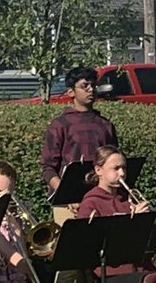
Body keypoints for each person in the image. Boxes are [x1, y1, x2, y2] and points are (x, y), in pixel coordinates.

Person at [79, 144, 153, 283]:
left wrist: (147, 222)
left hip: (133, 269)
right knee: (148, 282)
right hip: (107, 277)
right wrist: (131, 223)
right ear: (99, 170)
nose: (122, 173)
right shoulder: (90, 204)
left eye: (124, 168)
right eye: (116, 168)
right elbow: (86, 247)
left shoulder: (126, 199)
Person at [41, 66, 119, 223]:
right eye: (84, 86)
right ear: (71, 92)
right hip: (68, 205)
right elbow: (48, 168)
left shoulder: (105, 125)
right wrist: (67, 195)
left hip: (101, 200)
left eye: (93, 85)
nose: (91, 90)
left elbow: (114, 163)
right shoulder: (60, 125)